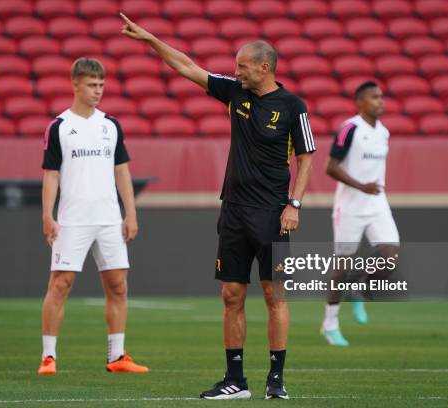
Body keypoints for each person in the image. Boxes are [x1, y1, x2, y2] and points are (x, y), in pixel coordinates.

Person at [120, 14, 316, 400]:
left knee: (275, 294)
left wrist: (294, 204)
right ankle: (235, 380)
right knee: (231, 294)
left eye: (242, 66)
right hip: (234, 211)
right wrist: (150, 39)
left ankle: (276, 379)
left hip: (273, 214)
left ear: (265, 67)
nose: (236, 71)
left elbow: (306, 158)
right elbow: (187, 66)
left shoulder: (293, 106)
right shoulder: (235, 93)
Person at [37, 57, 149, 375]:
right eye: (91, 84)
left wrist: (131, 213)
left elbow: (122, 171)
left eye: (101, 85)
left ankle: (117, 356)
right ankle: (48, 357)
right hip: (72, 219)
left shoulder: (110, 125)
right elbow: (50, 175)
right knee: (61, 284)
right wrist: (48, 215)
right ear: (75, 84)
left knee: (118, 286)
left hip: (109, 218)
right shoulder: (59, 127)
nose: (98, 90)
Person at [321, 81, 400, 347]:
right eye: (374, 97)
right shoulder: (349, 129)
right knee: (341, 266)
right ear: (360, 102)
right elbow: (330, 167)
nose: (381, 101)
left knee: (389, 257)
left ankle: (359, 289)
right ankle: (330, 323)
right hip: (350, 207)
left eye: (381, 97)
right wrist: (360, 186)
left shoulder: (384, 132)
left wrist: (371, 189)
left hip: (378, 204)